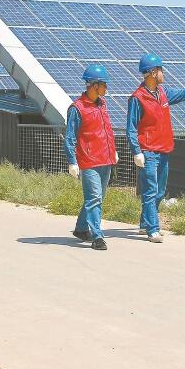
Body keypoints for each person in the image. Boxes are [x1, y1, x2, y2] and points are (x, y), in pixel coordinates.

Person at [127, 53, 185, 243]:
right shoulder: (137, 98)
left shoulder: (163, 93)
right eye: (161, 70)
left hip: (163, 150)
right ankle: (153, 229)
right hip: (148, 151)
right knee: (150, 190)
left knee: (160, 192)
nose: (163, 73)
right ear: (153, 73)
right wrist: (137, 151)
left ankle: (145, 223)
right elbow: (131, 128)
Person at [64, 64, 118, 251]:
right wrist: (72, 161)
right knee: (94, 198)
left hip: (106, 159)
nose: (106, 88)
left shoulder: (102, 104)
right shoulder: (77, 108)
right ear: (94, 85)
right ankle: (97, 236)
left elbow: (106, 130)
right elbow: (70, 137)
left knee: (96, 198)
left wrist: (113, 150)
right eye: (104, 84)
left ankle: (81, 229)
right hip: (89, 162)